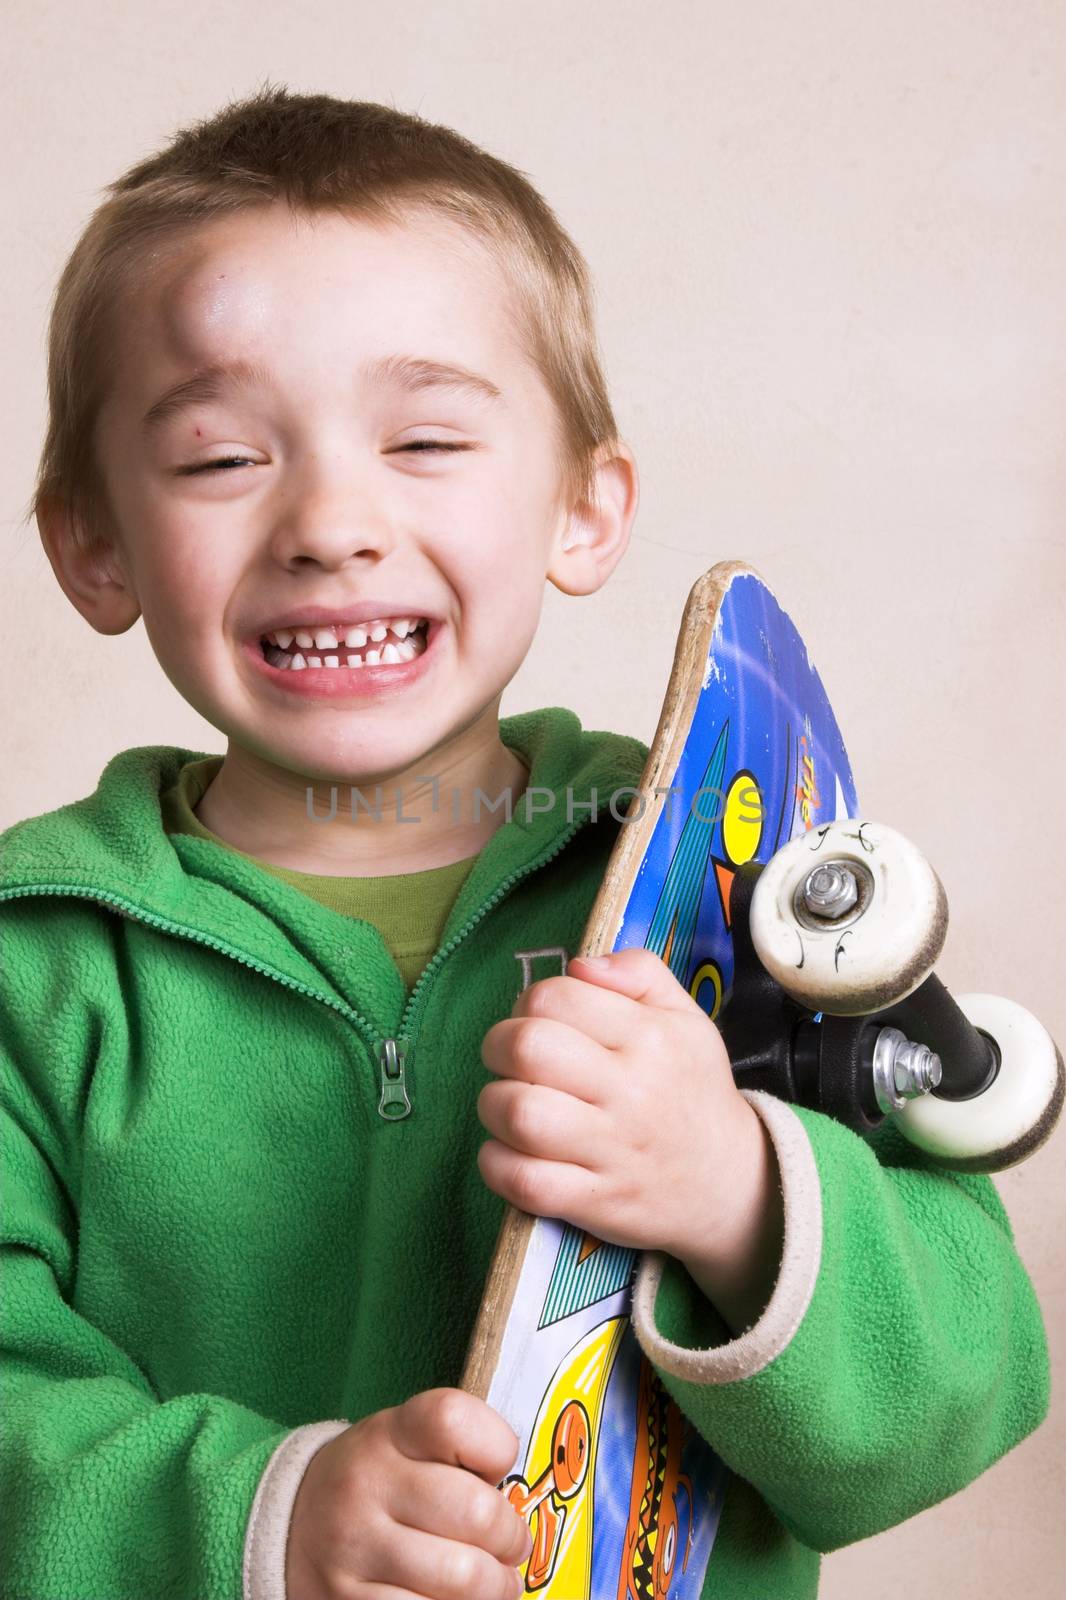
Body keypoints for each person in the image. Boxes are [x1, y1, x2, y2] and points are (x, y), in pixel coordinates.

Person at [0, 83, 1049, 1600]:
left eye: (424, 438)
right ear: (93, 543)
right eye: (225, 458)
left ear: (583, 507)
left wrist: (735, 1189)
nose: (330, 523)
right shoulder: (39, 960)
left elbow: (961, 1395)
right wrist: (262, 1515)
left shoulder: (736, 882)